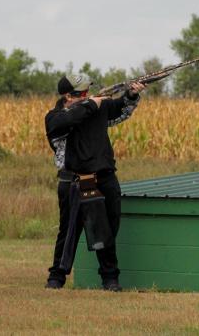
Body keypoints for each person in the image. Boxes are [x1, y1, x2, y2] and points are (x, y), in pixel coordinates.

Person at [44, 73, 145, 292]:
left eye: (87, 92)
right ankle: (56, 277)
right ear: (67, 96)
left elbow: (120, 109)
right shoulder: (55, 117)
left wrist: (131, 94)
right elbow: (66, 122)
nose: (87, 95)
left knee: (107, 230)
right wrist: (91, 104)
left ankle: (110, 279)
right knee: (68, 232)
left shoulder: (97, 107)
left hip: (104, 178)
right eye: (82, 93)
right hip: (74, 181)